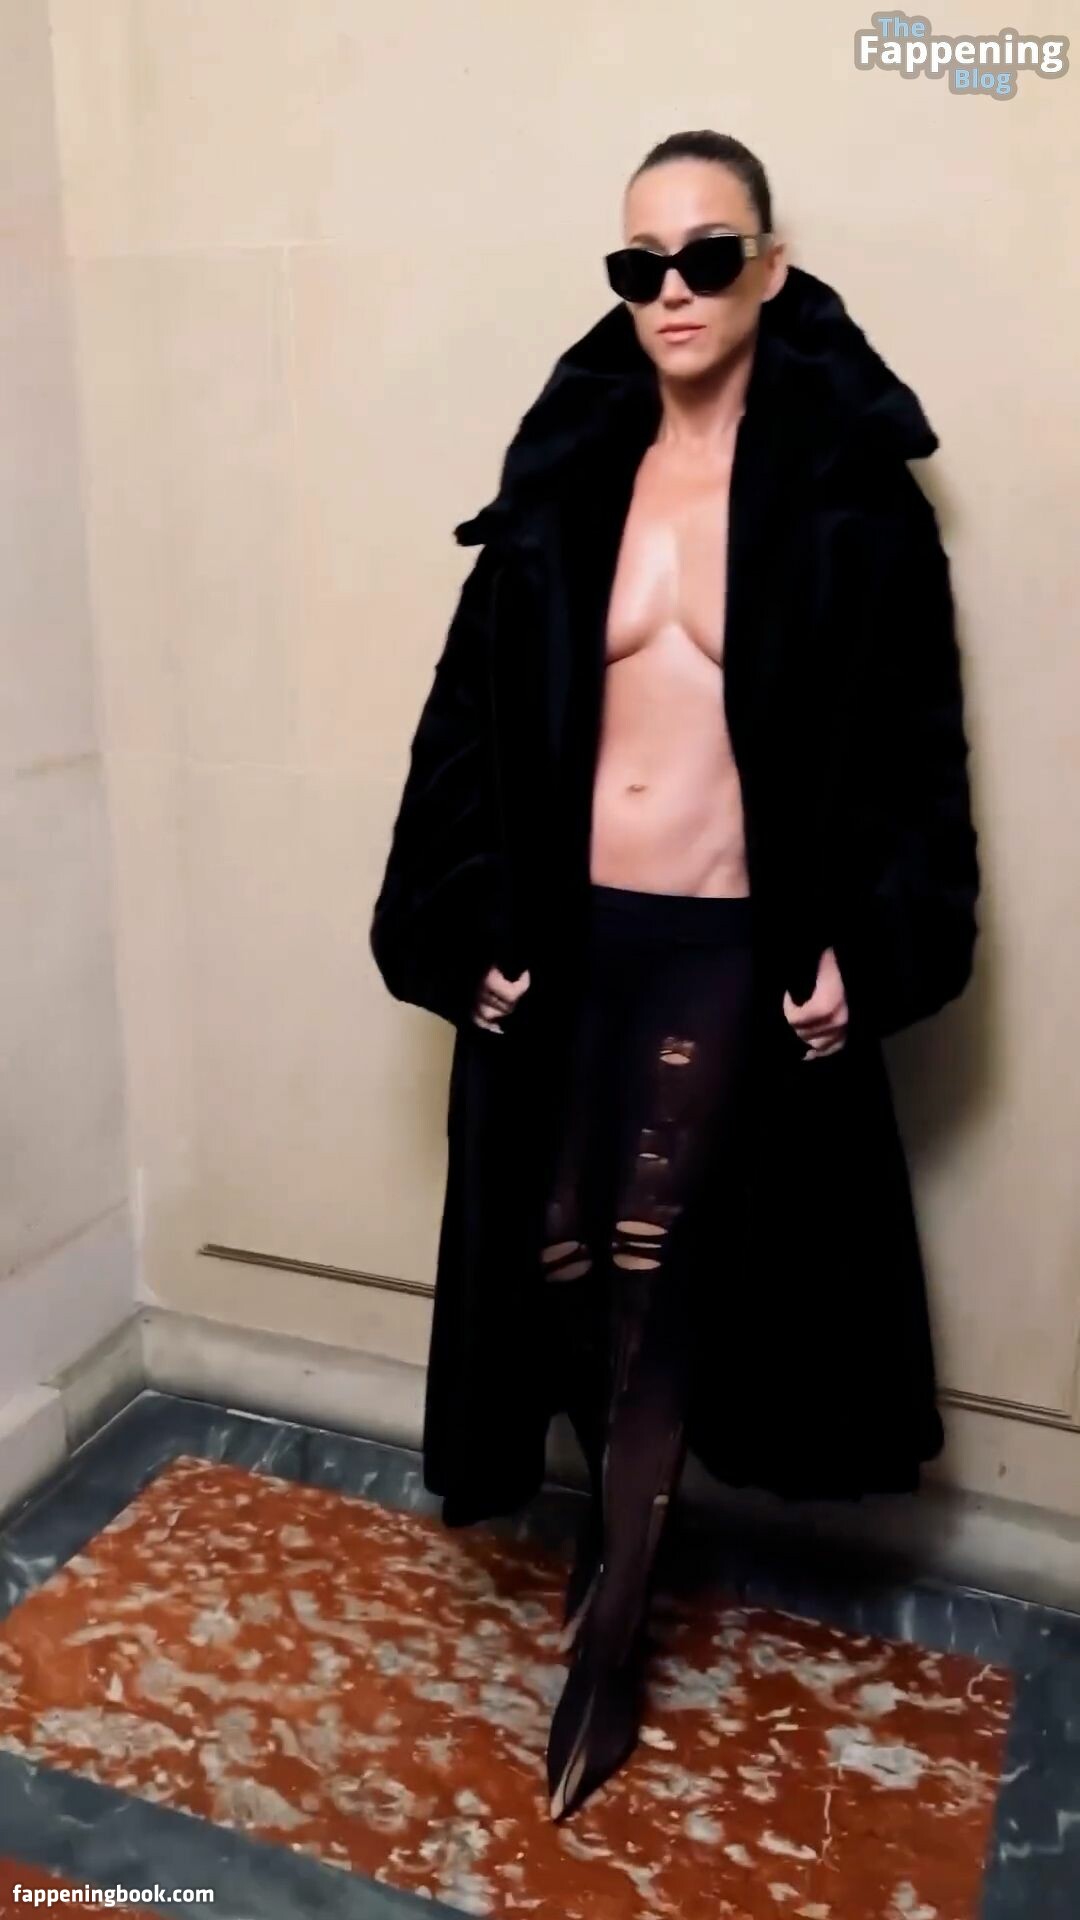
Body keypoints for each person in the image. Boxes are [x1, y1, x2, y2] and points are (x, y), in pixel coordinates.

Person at [370, 128, 980, 1823]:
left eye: (708, 256)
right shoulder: (570, 482)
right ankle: (625, 1520)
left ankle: (613, 1634)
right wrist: (460, 921)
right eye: (640, 265)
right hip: (576, 937)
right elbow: (466, 732)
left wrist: (876, 946)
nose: (674, 292)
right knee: (561, 1251)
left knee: (654, 1256)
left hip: (725, 943)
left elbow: (918, 761)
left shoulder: (850, 503)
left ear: (770, 266)